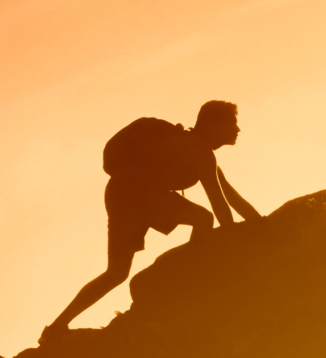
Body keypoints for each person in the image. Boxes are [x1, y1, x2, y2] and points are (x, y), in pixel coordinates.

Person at [39, 100, 262, 345]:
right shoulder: (198, 148)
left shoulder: (200, 151)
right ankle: (191, 281)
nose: (238, 130)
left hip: (122, 193)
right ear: (213, 124)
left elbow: (232, 198)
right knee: (202, 218)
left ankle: (55, 328)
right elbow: (218, 201)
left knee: (116, 273)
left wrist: (263, 224)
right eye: (233, 123)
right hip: (134, 195)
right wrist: (235, 240)